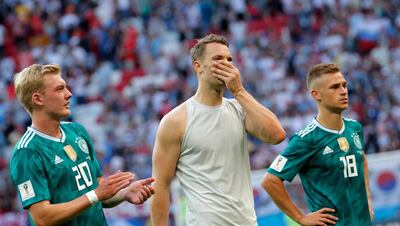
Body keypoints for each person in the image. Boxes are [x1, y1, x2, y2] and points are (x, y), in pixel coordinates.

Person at [150, 33, 285, 226]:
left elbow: (276, 135)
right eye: (218, 59)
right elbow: (160, 185)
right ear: (198, 66)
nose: (226, 64)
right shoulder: (176, 120)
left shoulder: (239, 109)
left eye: (229, 59)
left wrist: (239, 91)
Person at [9, 63, 155, 226]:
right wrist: (96, 194)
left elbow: (97, 190)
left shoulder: (77, 131)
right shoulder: (27, 151)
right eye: (59, 89)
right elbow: (42, 217)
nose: (69, 94)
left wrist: (124, 193)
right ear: (38, 99)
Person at [262, 63, 374, 226]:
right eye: (335, 87)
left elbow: (361, 159)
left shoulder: (354, 128)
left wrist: (368, 199)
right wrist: (301, 218)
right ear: (316, 94)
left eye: (344, 85)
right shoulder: (306, 139)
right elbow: (270, 180)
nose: (343, 91)